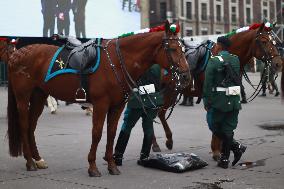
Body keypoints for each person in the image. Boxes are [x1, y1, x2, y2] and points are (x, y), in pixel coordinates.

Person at [203, 36, 246, 169]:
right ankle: (225, 159)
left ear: (219, 46)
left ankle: (235, 146)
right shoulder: (235, 59)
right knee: (228, 129)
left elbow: (207, 83)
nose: (214, 47)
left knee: (213, 125)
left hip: (219, 101)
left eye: (216, 45)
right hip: (233, 100)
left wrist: (207, 100)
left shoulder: (214, 61)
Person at [113, 64, 163, 166]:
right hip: (154, 100)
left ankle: (118, 156)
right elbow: (158, 85)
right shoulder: (158, 66)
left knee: (127, 126)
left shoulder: (137, 64)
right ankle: (144, 156)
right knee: (148, 127)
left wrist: (136, 91)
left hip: (137, 101)